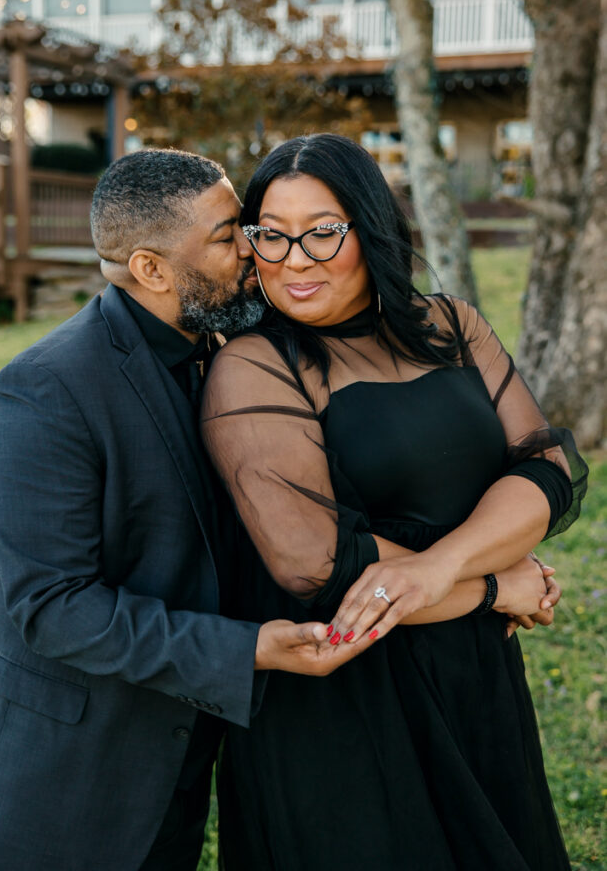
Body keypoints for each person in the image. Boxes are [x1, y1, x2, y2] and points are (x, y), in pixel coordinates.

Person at [0, 148, 380, 871]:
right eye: (229, 237)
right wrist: (245, 651)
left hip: (172, 769)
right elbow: (53, 607)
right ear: (151, 270)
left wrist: (478, 572)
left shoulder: (238, 348)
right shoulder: (44, 389)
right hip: (52, 781)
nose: (253, 250)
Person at [201, 133, 588, 871]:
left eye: (322, 231)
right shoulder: (254, 366)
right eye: (270, 235)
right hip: (349, 701)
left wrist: (442, 567)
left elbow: (543, 465)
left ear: (371, 228)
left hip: (476, 674)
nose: (294, 260)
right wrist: (492, 587)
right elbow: (316, 565)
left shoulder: (452, 325)